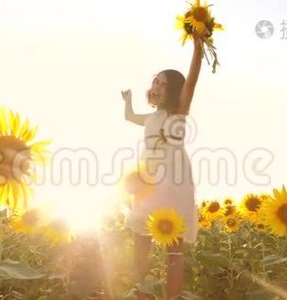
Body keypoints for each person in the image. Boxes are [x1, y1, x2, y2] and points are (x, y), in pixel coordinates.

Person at [121, 32, 205, 300]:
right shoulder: (151, 117)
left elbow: (191, 81)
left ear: (174, 91)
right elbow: (130, 116)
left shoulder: (178, 112)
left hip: (174, 179)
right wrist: (128, 101)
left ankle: (172, 296)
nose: (156, 86)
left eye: (163, 84)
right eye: (154, 81)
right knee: (140, 236)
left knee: (173, 243)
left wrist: (198, 48)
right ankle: (141, 291)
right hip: (149, 176)